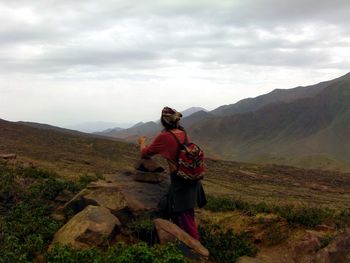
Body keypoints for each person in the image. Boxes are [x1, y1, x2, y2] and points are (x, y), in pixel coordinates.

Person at [138, 107, 207, 240]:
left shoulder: (164, 137)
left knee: (186, 218)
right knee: (172, 206)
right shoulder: (183, 133)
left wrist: (142, 143)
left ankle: (196, 250)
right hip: (191, 178)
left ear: (163, 121)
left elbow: (145, 153)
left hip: (180, 181)